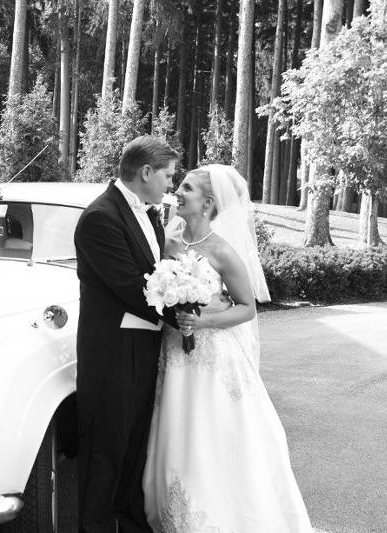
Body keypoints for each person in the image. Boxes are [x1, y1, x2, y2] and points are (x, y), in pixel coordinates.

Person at [143, 164, 313, 532]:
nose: (178, 191)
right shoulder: (167, 242)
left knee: (213, 435)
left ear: (206, 203)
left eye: (186, 188)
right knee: (177, 431)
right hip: (174, 355)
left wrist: (200, 321)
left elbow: (247, 307)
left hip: (213, 359)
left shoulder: (222, 251)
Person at [74, 135, 179, 533]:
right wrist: (189, 314)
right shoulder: (101, 217)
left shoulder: (149, 213)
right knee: (106, 451)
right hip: (114, 355)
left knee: (134, 448)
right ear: (145, 172)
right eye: (167, 176)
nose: (170, 185)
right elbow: (132, 288)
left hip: (143, 347)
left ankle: (127, 522)